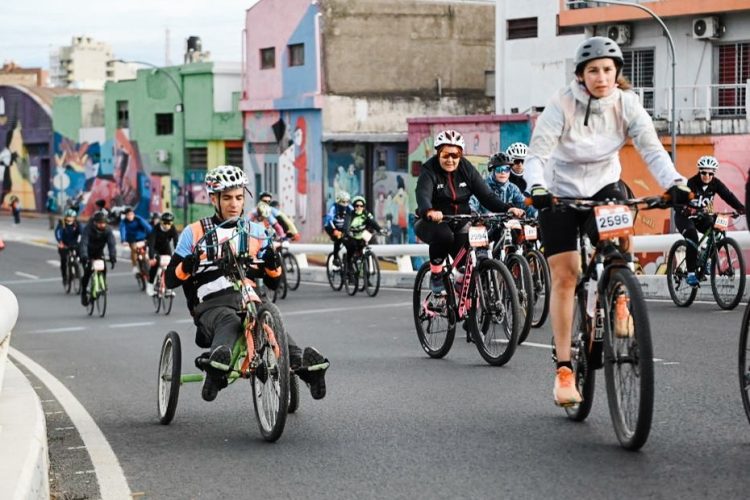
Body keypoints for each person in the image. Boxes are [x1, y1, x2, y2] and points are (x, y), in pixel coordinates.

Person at [524, 36, 691, 406]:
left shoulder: (628, 104)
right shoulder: (560, 105)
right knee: (566, 275)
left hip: (604, 186)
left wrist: (675, 183)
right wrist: (536, 186)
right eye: (593, 70)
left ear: (617, 73)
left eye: (608, 69)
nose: (601, 77)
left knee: (620, 236)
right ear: (581, 75)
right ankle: (565, 370)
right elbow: (538, 155)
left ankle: (620, 295)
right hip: (559, 192)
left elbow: (651, 148)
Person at [164, 165, 328, 402]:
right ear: (214, 199)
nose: (234, 204)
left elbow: (274, 283)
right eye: (228, 198)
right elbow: (169, 280)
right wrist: (186, 266)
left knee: (268, 319)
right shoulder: (194, 232)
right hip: (212, 304)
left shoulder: (257, 232)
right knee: (229, 320)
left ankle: (307, 369)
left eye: (239, 197)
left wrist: (273, 264)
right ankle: (218, 368)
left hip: (250, 299)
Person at [415, 129, 525, 297]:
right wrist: (429, 210)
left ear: (460, 155)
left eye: (455, 155)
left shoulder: (466, 168)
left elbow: (486, 196)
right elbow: (423, 194)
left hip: (461, 220)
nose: (450, 160)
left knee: (467, 265)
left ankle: (465, 304)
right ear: (438, 153)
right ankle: (436, 274)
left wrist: (506, 208)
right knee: (444, 236)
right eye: (446, 155)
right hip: (432, 221)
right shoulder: (429, 170)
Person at [675, 155, 745, 286]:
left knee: (718, 228)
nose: (707, 176)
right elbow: (676, 202)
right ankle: (690, 274)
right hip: (684, 217)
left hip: (702, 216)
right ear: (699, 171)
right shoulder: (691, 184)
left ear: (714, 173)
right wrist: (687, 209)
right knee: (692, 236)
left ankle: (706, 260)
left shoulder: (715, 184)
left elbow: (728, 196)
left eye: (710, 173)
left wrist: (741, 208)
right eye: (703, 172)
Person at [470, 151, 537, 219]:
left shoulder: (513, 188)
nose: (503, 172)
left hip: (507, 227)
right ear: (492, 170)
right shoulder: (482, 186)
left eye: (506, 169)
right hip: (484, 227)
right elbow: (472, 204)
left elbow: (525, 205)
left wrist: (537, 214)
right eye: (499, 169)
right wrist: (473, 214)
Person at [79, 210, 117, 306]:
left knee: (103, 267)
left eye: (104, 223)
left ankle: (102, 283)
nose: (102, 225)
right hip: (87, 253)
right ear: (95, 222)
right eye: (99, 223)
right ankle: (83, 292)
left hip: (99, 252)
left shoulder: (108, 230)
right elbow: (83, 243)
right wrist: (84, 256)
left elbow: (111, 244)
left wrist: (112, 256)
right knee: (87, 273)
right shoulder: (88, 229)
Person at [343, 195, 384, 271]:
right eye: (357, 205)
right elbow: (346, 225)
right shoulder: (350, 214)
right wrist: (347, 232)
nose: (359, 207)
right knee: (352, 247)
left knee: (371, 240)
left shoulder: (366, 213)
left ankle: (367, 263)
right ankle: (349, 267)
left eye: (361, 206)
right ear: (354, 206)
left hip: (362, 234)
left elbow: (373, 222)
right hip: (352, 235)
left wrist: (380, 230)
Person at [146, 211, 179, 296]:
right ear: (161, 222)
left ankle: (168, 288)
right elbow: (151, 244)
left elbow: (176, 242)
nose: (167, 225)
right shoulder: (155, 229)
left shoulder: (172, 228)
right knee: (155, 265)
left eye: (170, 223)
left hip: (166, 249)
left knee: (170, 266)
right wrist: (151, 257)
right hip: (155, 249)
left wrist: (178, 254)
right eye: (165, 222)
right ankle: (149, 286)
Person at [324, 191, 354, 268]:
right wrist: (334, 230)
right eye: (343, 202)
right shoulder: (333, 207)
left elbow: (356, 215)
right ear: (338, 201)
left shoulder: (350, 208)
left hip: (343, 227)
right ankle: (335, 258)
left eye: (347, 202)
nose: (345, 204)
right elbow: (329, 219)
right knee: (338, 238)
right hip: (331, 226)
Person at [119, 207, 152, 274]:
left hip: (142, 238)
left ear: (134, 214)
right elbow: (123, 230)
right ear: (126, 216)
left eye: (131, 214)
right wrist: (123, 240)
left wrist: (152, 234)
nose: (130, 216)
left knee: (147, 252)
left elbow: (147, 227)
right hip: (132, 240)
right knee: (134, 250)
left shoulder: (138, 219)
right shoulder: (123, 222)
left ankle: (149, 265)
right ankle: (134, 266)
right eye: (128, 215)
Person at [55, 209, 82, 284]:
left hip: (74, 244)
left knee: (80, 256)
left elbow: (82, 232)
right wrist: (60, 241)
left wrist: (81, 241)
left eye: (72, 217)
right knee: (63, 260)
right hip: (64, 244)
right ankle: (64, 277)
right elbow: (58, 232)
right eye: (68, 217)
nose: (70, 219)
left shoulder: (77, 224)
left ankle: (77, 271)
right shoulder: (62, 223)